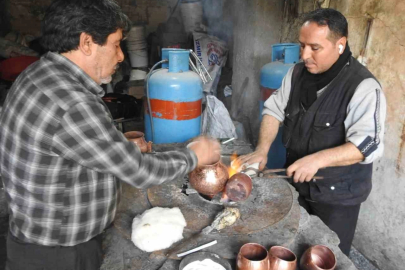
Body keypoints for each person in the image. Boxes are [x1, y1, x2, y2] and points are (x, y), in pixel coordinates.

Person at [0, 1, 220, 269]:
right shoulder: (73, 102)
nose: (121, 56)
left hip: (34, 235)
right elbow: (140, 172)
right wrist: (193, 155)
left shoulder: (39, 74)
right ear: (87, 43)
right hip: (60, 252)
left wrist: (114, 144)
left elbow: (66, 142)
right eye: (116, 44)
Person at [236, 8, 386, 256]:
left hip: (337, 197)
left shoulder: (363, 87)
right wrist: (262, 150)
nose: (305, 55)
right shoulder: (296, 74)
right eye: (302, 45)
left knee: (325, 257)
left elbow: (367, 145)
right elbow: (274, 110)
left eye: (314, 48)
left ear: (340, 45)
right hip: (296, 185)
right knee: (291, 249)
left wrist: (317, 160)